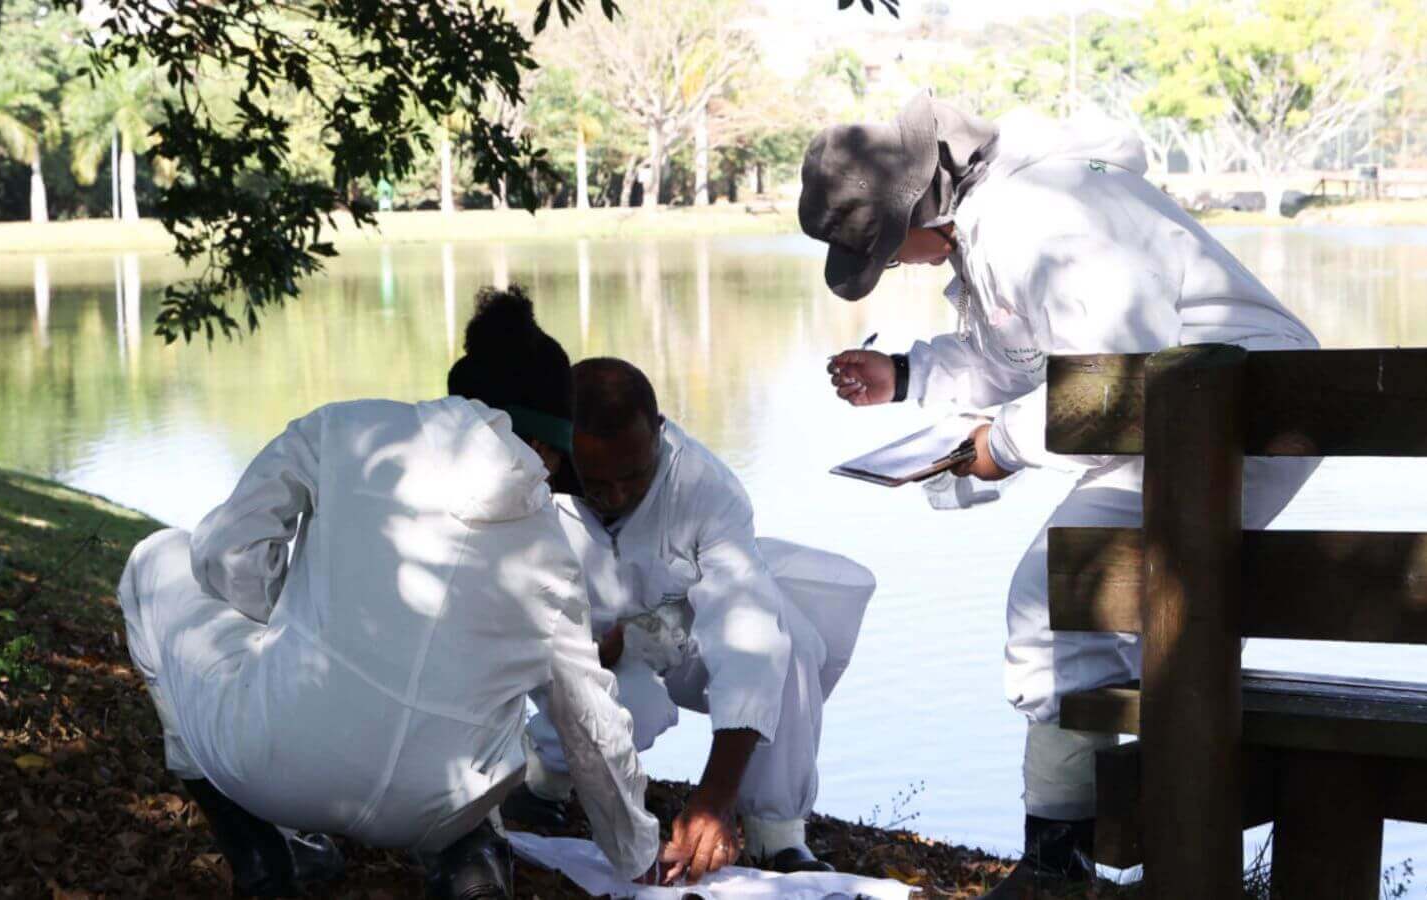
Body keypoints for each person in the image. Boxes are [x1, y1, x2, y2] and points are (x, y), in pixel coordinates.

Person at [799, 93, 1320, 893]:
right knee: (1074, 611)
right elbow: (1026, 362)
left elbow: (1117, 374)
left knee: (1056, 600)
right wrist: (904, 375)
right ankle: (1098, 854)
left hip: (1230, 419)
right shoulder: (1000, 216)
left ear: (920, 206)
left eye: (886, 249)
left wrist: (1000, 446)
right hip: (1200, 414)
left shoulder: (1031, 216)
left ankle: (1073, 864)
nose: (894, 265)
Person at [116, 287, 661, 898]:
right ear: (543, 445)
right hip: (434, 805)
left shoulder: (344, 430)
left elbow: (224, 550)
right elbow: (589, 719)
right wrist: (636, 851)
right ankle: (471, 853)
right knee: (492, 710)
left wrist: (274, 630)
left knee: (155, 559)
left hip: (273, 766)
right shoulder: (550, 555)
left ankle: (266, 851)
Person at [503, 357, 876, 882]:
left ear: (657, 432)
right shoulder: (529, 478)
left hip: (677, 632)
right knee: (638, 707)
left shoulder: (706, 486)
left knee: (788, 637)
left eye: (632, 476)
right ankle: (541, 782)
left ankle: (776, 833)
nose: (615, 496)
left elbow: (747, 626)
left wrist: (713, 797)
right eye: (596, 481)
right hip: (576, 649)